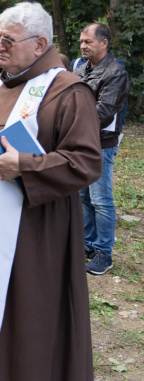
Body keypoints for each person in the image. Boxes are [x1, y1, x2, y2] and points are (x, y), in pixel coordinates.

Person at [0, 2, 102, 381]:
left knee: (21, 311)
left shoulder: (67, 90)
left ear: (40, 44)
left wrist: (27, 166)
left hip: (30, 230)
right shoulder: (2, 81)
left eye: (7, 40)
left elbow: (85, 162)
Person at [74, 23, 130, 275]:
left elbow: (103, 112)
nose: (82, 45)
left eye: (88, 41)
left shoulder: (115, 72)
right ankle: (88, 244)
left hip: (101, 143)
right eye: (81, 41)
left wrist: (68, 122)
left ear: (104, 43)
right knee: (84, 196)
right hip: (79, 140)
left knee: (100, 199)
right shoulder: (81, 68)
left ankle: (104, 253)